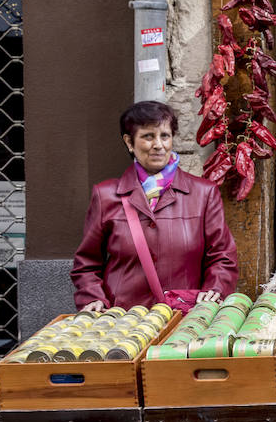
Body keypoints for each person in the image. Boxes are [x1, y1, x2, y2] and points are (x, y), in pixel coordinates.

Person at [73, 101, 238, 310]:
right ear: (129, 142)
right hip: (122, 321)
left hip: (182, 320)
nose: (158, 145)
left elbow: (223, 257)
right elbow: (87, 264)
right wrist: (93, 297)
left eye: (165, 136)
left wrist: (215, 290)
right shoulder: (105, 196)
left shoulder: (203, 193)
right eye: (148, 136)